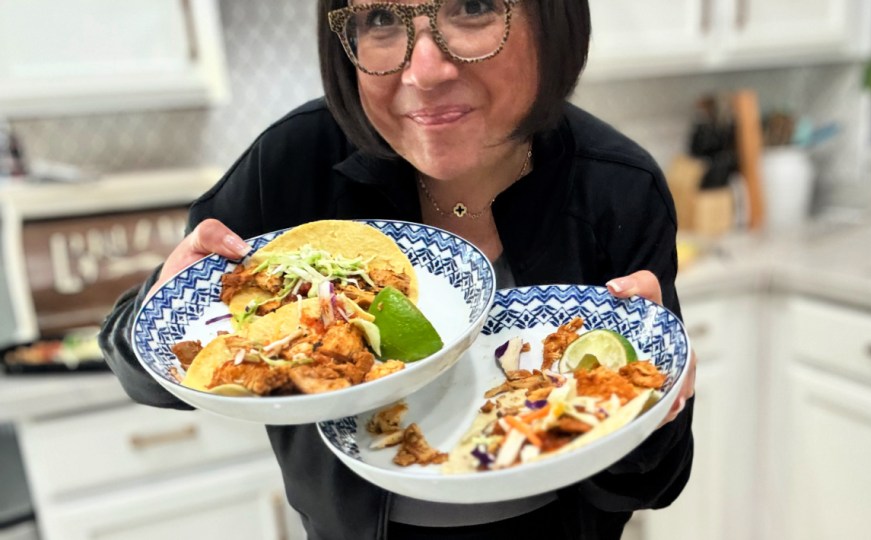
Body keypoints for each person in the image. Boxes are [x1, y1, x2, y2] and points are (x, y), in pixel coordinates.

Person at [100, 1, 696, 539]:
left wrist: (648, 406)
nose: (425, 71)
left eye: (473, 7)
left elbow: (652, 486)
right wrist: (162, 308)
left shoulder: (620, 189)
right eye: (382, 19)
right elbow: (141, 368)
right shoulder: (293, 163)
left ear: (553, 19)